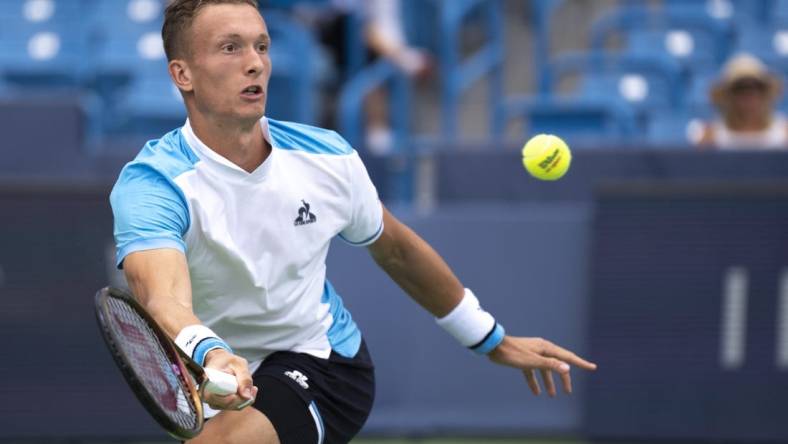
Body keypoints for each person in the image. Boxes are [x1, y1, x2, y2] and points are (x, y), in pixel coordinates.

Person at [109, 1, 597, 443]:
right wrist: (213, 355)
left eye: (261, 46)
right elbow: (162, 296)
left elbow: (398, 250)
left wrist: (489, 337)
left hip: (320, 362)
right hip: (213, 374)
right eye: (229, 48)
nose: (255, 63)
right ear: (183, 74)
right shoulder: (154, 184)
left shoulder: (327, 159)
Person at [689, 53, 788, 149]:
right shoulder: (710, 137)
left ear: (765, 93)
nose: (749, 94)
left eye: (757, 87)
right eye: (740, 88)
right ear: (728, 95)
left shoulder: (784, 133)